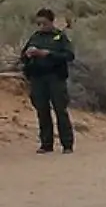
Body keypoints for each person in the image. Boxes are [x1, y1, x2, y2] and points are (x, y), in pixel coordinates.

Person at [20, 8, 76, 154]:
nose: (41, 27)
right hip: (38, 78)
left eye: (44, 23)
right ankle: (46, 144)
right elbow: (23, 57)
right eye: (38, 24)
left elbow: (69, 55)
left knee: (60, 110)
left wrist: (48, 54)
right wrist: (28, 54)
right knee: (42, 111)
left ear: (51, 22)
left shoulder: (60, 37)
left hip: (55, 78)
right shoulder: (35, 37)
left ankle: (67, 144)